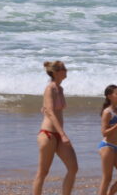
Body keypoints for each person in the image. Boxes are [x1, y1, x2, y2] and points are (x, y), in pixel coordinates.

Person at [34, 60, 77, 195]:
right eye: (64, 69)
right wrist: (63, 134)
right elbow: (51, 113)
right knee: (43, 172)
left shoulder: (60, 89)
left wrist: (61, 134)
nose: (66, 71)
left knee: (73, 168)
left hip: (58, 134)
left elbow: (50, 109)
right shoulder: (50, 88)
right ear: (56, 72)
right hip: (48, 135)